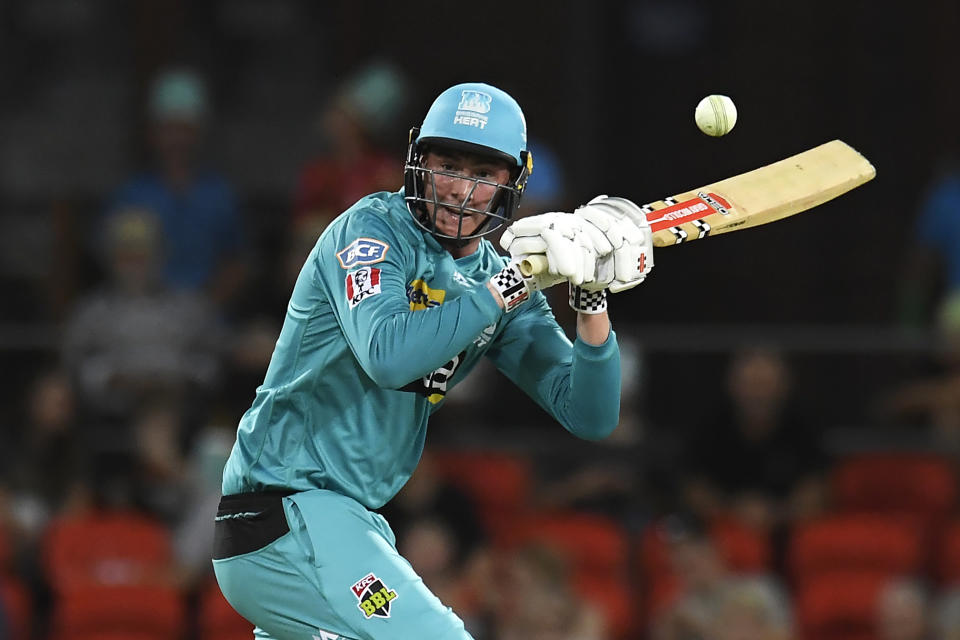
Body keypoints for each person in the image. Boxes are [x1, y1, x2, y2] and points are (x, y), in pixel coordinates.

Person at [211, 82, 654, 640]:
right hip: (287, 518)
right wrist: (509, 283)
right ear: (419, 161)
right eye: (449, 164)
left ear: (510, 185)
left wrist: (590, 299)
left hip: (338, 531)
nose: (462, 190)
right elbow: (389, 356)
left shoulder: (497, 281)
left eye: (484, 173)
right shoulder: (370, 231)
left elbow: (591, 415)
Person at [104, 67, 247, 309]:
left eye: (185, 130)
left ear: (200, 133)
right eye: (168, 129)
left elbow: (238, 264)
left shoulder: (220, 195)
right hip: (139, 316)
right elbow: (115, 259)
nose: (177, 140)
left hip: (205, 321)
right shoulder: (131, 195)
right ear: (152, 134)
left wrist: (203, 309)